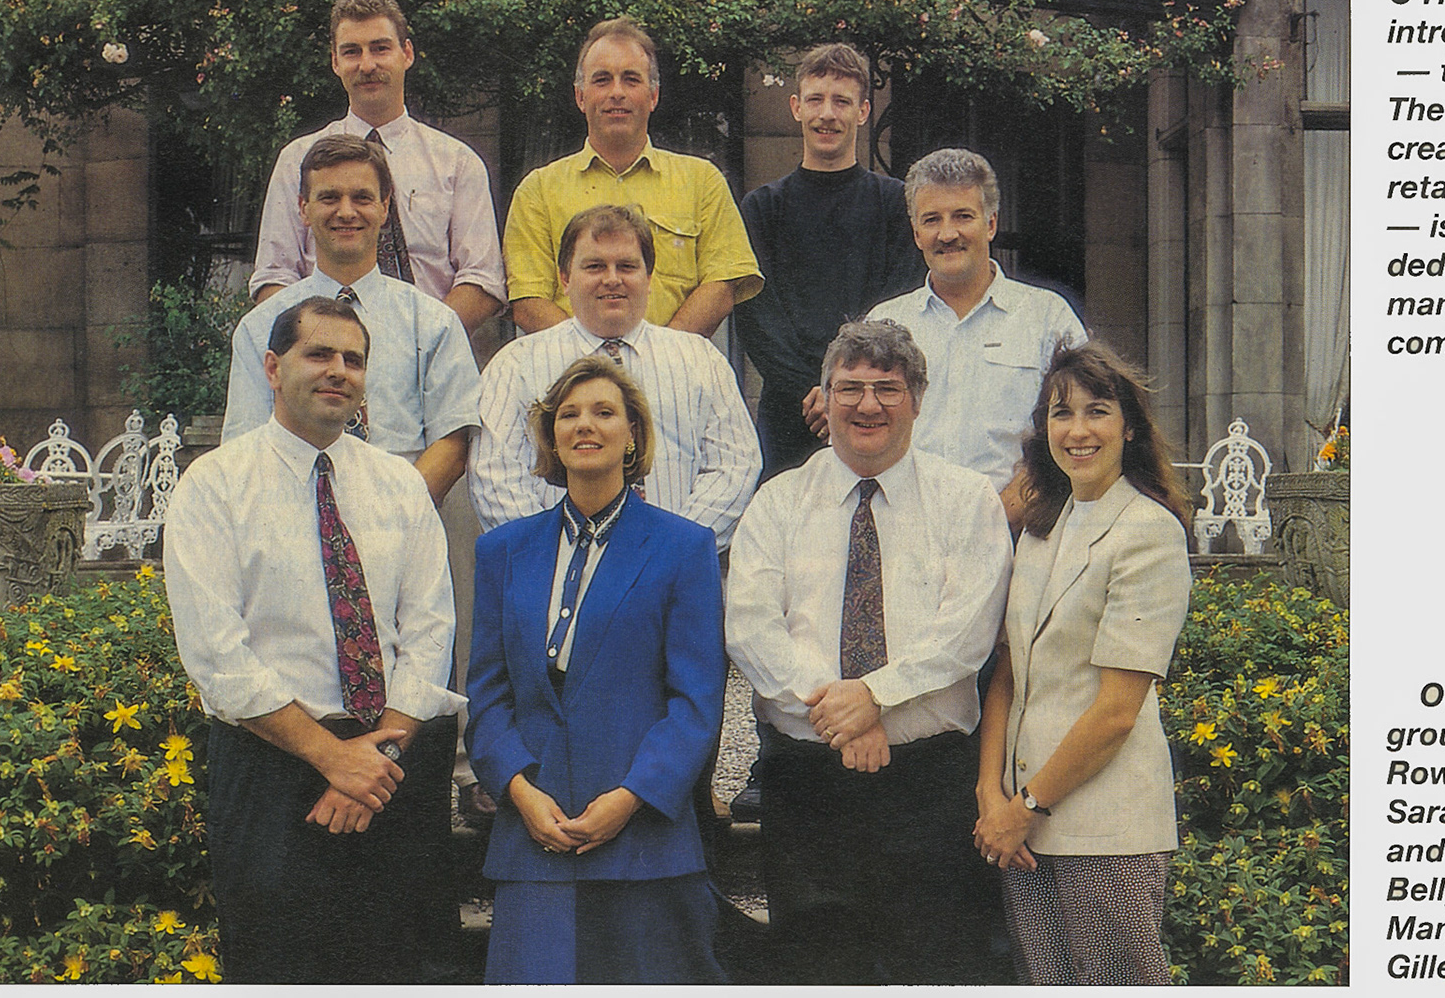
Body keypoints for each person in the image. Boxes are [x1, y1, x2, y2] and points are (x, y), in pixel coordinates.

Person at [164, 296, 466, 982]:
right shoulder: (213, 487)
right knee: (281, 968)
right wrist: (333, 758)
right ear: (272, 367)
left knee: (406, 971)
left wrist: (372, 760)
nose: (339, 371)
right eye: (319, 354)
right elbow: (218, 656)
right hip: (273, 768)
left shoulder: (399, 486)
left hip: (393, 765)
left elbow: (430, 632)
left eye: (353, 359)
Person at [726, 319, 1013, 984]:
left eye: (887, 388)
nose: (867, 405)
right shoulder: (778, 502)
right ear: (823, 400)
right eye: (848, 388)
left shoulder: (966, 499)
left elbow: (968, 630)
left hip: (931, 785)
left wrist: (874, 696)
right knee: (817, 969)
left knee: (937, 964)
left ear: (917, 397)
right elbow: (751, 628)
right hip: (807, 784)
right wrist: (840, 711)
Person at [466, 355, 726, 983]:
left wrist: (629, 798)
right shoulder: (502, 550)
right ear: (551, 435)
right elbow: (487, 697)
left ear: (633, 433)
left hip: (643, 841)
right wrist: (522, 795)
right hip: (534, 838)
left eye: (605, 412)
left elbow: (695, 703)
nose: (586, 424)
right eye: (569, 414)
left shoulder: (684, 547)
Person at [973, 341, 1194, 985]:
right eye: (1060, 413)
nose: (1077, 430)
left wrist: (1026, 807)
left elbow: (1118, 713)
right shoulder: (1042, 528)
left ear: (1129, 426)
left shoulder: (1149, 532)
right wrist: (993, 795)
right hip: (1022, 831)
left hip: (1105, 831)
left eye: (1096, 412)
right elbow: (1008, 676)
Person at [806, 147, 1086, 520]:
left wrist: (996, 518)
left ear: (990, 224)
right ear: (917, 232)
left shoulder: (1048, 317)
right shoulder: (883, 324)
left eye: (963, 216)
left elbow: (1080, 428)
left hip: (1020, 532)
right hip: (903, 534)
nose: (947, 233)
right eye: (932, 219)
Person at [470, 204, 758, 548]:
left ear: (649, 279)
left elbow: (735, 466)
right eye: (594, 266)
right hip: (556, 572)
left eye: (627, 266)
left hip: (671, 572)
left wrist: (668, 550)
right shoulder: (516, 364)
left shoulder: (700, 359)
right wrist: (559, 556)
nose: (612, 278)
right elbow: (494, 477)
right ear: (565, 278)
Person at [225, 135, 480, 507]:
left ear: (384, 207)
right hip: (289, 523)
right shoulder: (259, 327)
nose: (346, 212)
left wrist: (391, 518)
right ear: (303, 208)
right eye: (329, 197)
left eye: (361, 197)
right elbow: (243, 446)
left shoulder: (432, 323)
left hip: (401, 523)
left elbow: (453, 442)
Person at [249, 0, 504, 335]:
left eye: (380, 48)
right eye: (352, 51)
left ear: (407, 54)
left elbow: (481, 279)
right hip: (324, 363)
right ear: (335, 61)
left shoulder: (458, 164)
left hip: (429, 359)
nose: (367, 64)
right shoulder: (298, 161)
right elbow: (273, 278)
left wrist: (421, 347)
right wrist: (324, 345)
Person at [502, 17, 761, 336]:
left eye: (631, 79)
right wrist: (597, 362)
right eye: (601, 80)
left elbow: (721, 288)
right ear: (580, 97)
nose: (616, 92)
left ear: (653, 96)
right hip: (571, 379)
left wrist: (653, 358)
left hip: (674, 373)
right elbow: (528, 302)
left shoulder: (702, 182)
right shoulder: (537, 191)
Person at [736, 42, 924, 478]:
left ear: (862, 111)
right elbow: (756, 317)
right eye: (816, 100)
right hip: (790, 413)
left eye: (842, 101)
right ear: (796, 107)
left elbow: (898, 304)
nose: (827, 114)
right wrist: (815, 389)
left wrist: (847, 389)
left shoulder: (896, 204)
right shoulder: (762, 207)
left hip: (873, 407)